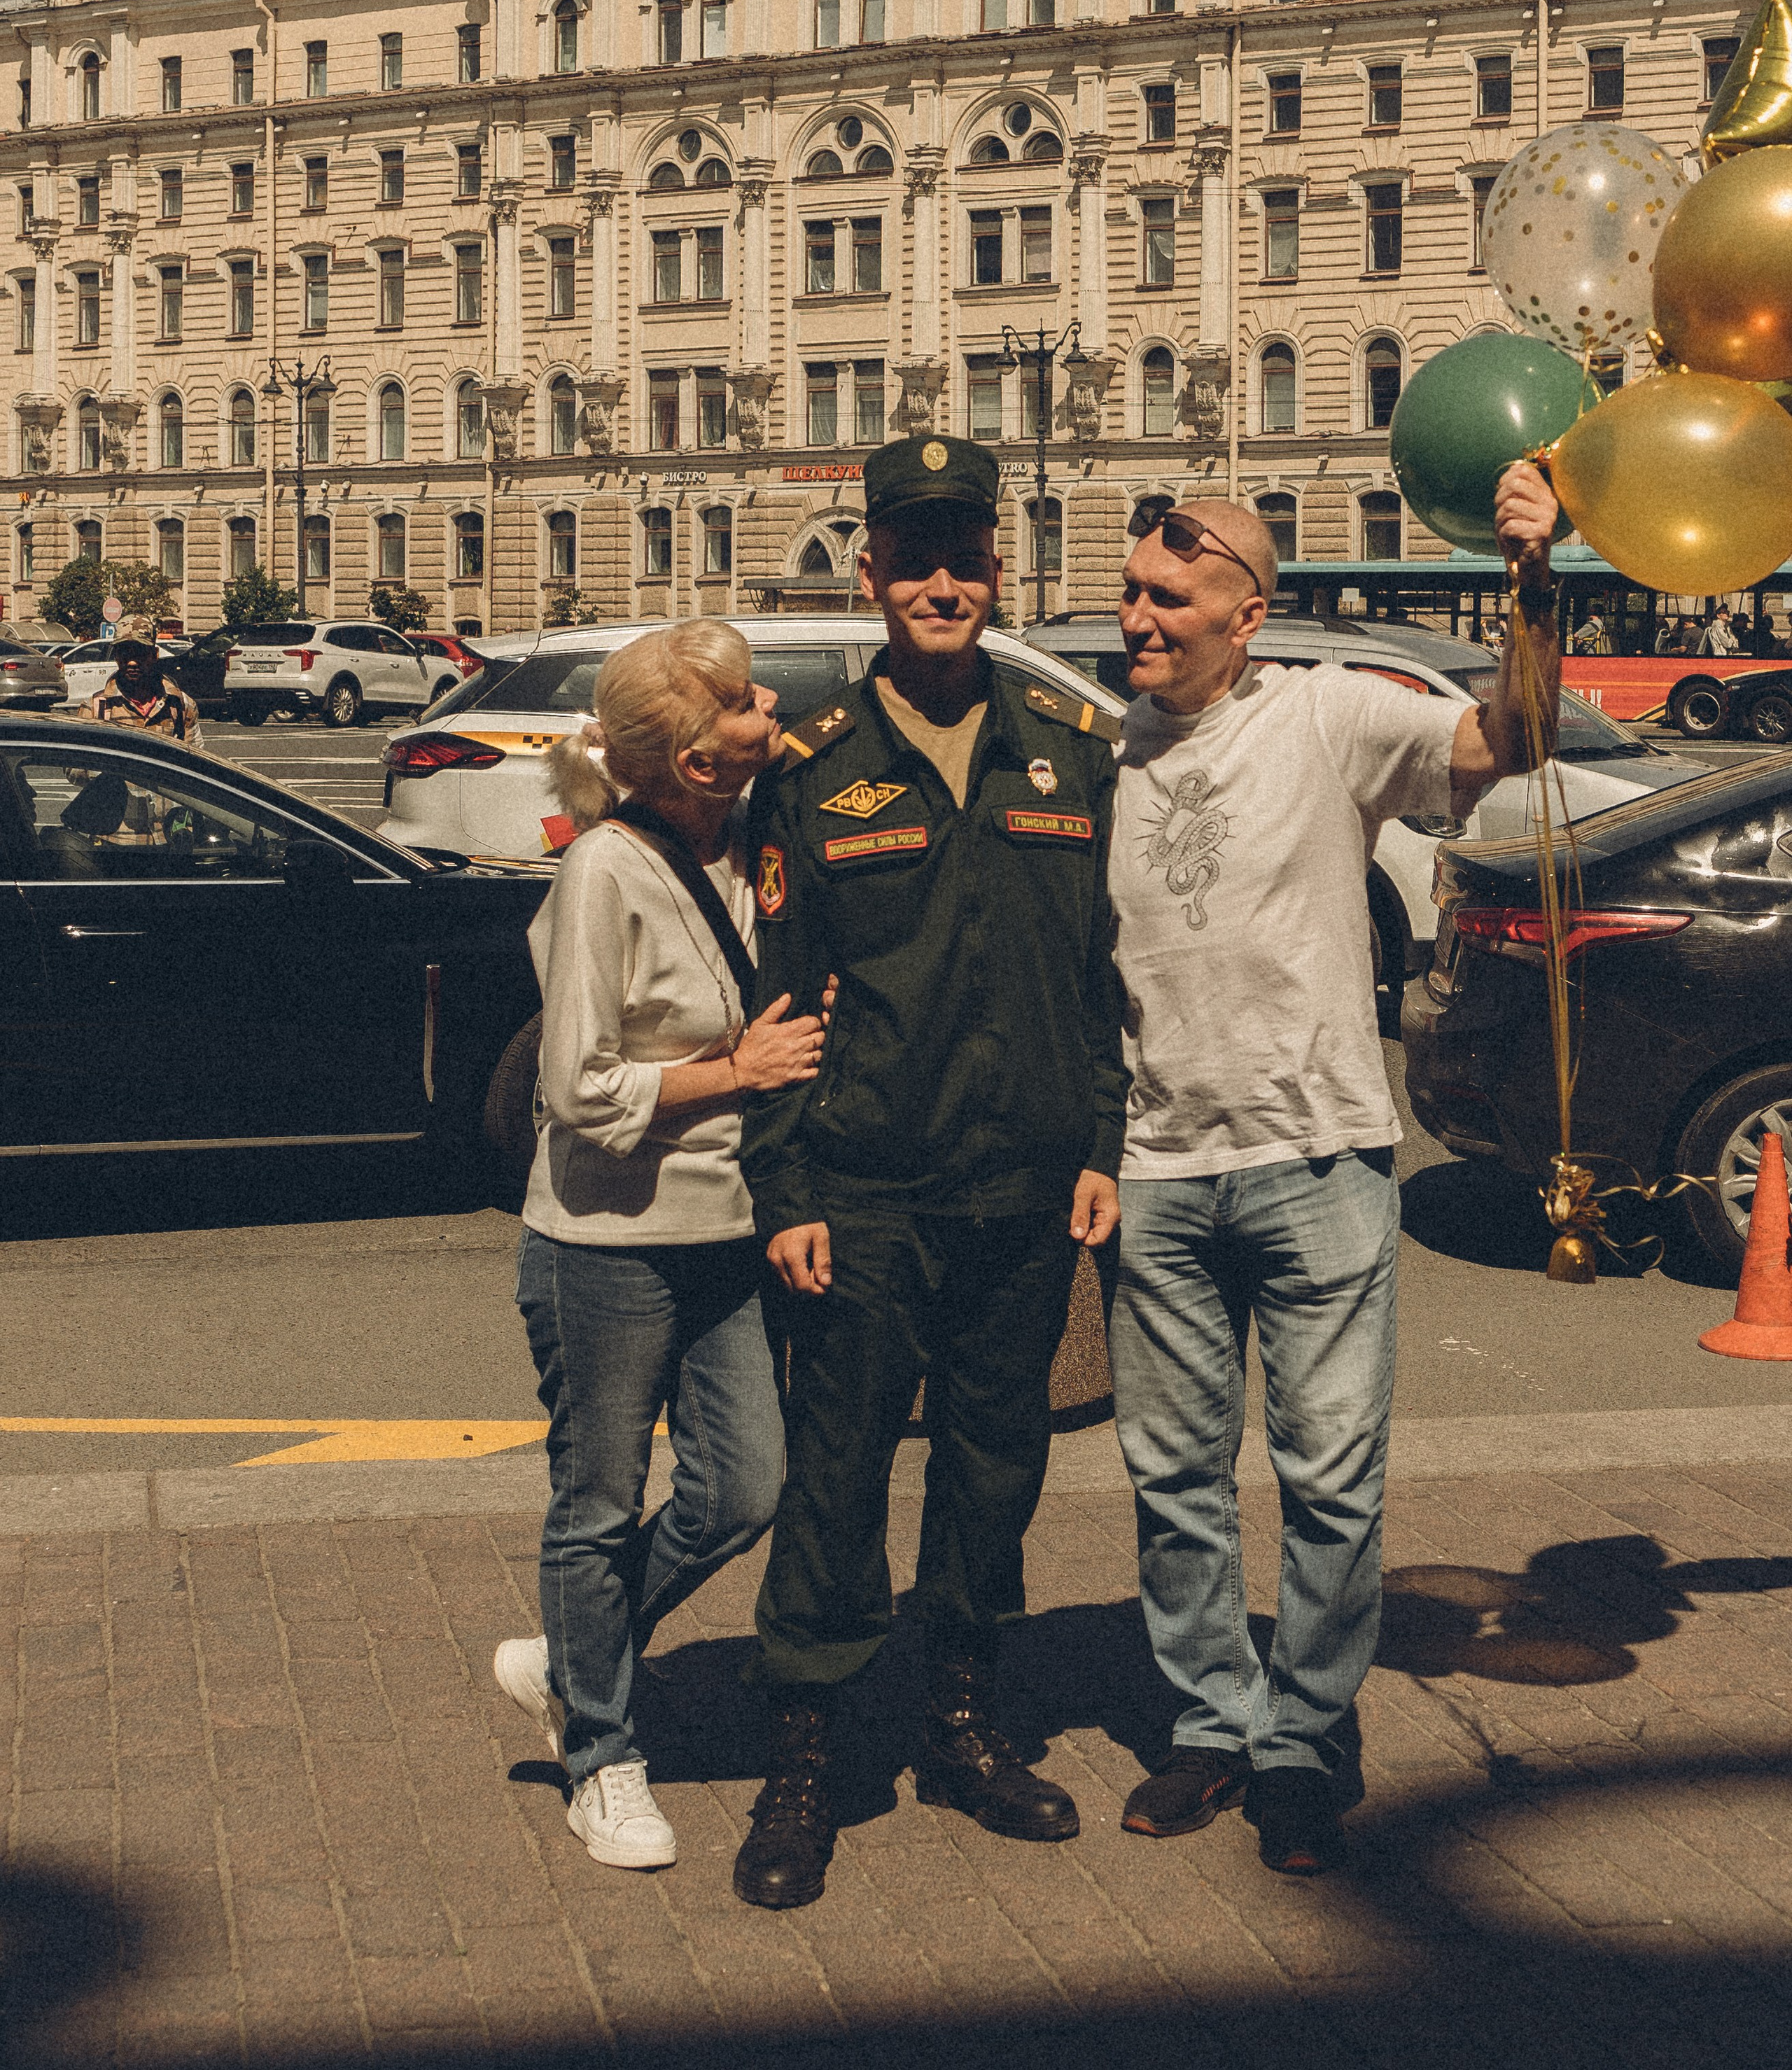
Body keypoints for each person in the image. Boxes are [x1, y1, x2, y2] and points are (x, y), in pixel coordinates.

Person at [1103, 461, 1560, 1877]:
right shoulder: (1099, 750)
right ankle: (1206, 1721)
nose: (1133, 617)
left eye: (1165, 598)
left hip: (1316, 1159)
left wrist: (1530, 581)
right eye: (1126, 591)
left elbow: (1512, 741)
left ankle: (1301, 1734)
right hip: (1160, 1171)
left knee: (1328, 1478)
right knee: (1174, 1476)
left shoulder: (1325, 714)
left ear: (1242, 619)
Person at [730, 432, 1127, 1911]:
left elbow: (1097, 980)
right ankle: (807, 1763)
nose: (941, 582)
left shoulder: (1065, 746)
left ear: (998, 569)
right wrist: (787, 1193)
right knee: (832, 1484)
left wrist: (1100, 1142)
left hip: (1024, 1191)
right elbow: (779, 1003)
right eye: (913, 556)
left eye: (965, 555)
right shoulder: (816, 770)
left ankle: (962, 1726)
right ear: (874, 569)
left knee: (992, 1472)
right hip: (867, 1191)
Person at [493, 621, 832, 1871]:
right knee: (595, 1502)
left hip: (727, 1225)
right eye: (746, 705)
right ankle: (602, 1758)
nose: (770, 714)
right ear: (695, 758)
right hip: (603, 1239)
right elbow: (577, 1086)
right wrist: (734, 1071)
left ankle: (574, 1657)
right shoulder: (605, 872)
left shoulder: (753, 844)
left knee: (746, 1484)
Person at [82, 633, 203, 743]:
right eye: (125, 654)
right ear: (116, 657)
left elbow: (194, 761)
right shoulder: (96, 708)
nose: (132, 663)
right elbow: (82, 763)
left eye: (140, 653)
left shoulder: (181, 705)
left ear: (155, 654)